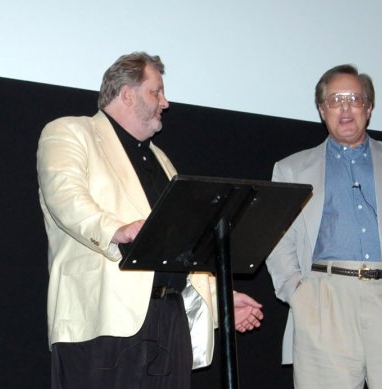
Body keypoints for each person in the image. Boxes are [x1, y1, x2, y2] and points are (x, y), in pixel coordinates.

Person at [37, 52, 264, 389]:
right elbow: (65, 197)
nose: (165, 102)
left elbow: (181, 245)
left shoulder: (161, 160)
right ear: (127, 94)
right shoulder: (69, 132)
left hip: (169, 320)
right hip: (102, 317)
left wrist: (222, 300)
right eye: (156, 92)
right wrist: (117, 229)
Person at [266, 64, 382, 389]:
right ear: (322, 109)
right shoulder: (291, 169)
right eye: (335, 99)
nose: (345, 107)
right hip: (323, 302)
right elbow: (276, 239)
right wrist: (298, 293)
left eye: (354, 98)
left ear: (368, 108)